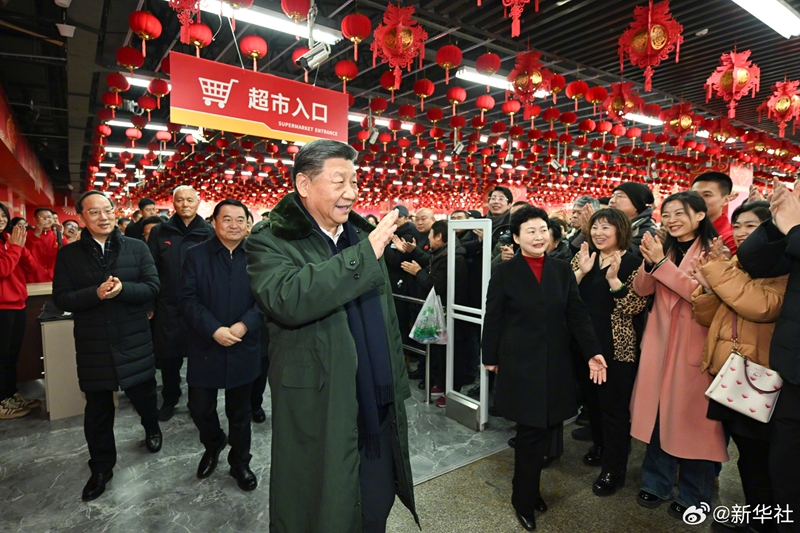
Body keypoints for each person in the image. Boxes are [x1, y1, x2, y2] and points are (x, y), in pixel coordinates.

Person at [245, 139, 417, 532]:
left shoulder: (359, 234)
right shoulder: (270, 239)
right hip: (321, 402)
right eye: (339, 181)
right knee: (325, 505)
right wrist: (362, 257)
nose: (351, 193)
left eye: (354, 182)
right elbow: (288, 297)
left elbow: (385, 317)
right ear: (304, 185)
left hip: (375, 396)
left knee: (376, 502)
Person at [482, 205, 607, 531]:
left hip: (554, 364)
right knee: (530, 433)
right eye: (530, 231)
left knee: (544, 429)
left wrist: (593, 350)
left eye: (542, 230)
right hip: (520, 364)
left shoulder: (561, 270)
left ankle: (527, 489)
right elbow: (493, 316)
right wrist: (489, 357)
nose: (538, 237)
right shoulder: (506, 272)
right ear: (517, 237)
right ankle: (522, 498)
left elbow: (577, 315)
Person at [52, 191, 162, 502]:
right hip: (94, 343)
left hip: (133, 338)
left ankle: (152, 427)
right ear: (82, 218)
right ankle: (101, 467)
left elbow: (153, 286)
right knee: (98, 410)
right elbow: (61, 298)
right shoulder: (69, 256)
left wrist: (124, 289)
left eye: (107, 210)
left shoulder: (137, 248)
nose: (103, 217)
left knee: (144, 395)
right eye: (94, 212)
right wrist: (95, 294)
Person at [690, 201, 786, 533]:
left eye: (752, 226)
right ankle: (758, 518)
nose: (743, 233)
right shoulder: (735, 264)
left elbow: (761, 306)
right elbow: (708, 316)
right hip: (730, 373)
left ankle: (765, 523)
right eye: (739, 225)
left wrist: (718, 273)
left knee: (760, 457)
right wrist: (706, 287)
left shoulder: (782, 265)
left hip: (757, 375)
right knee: (747, 454)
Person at [630, 191, 727, 519]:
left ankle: (695, 493)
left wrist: (661, 264)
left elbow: (703, 297)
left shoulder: (715, 250)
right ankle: (656, 482)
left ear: (700, 215)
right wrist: (649, 261)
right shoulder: (664, 246)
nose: (671, 219)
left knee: (694, 426)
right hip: (659, 345)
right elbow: (642, 290)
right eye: (667, 213)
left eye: (679, 213)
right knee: (658, 417)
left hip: (694, 347)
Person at [179, 199, 263, 492]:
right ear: (214, 222)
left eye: (240, 219)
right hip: (206, 344)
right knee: (199, 408)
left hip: (243, 344)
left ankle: (240, 462)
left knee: (240, 414)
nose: (234, 225)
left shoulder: (257, 256)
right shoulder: (195, 255)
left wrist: (244, 325)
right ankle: (213, 443)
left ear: (248, 224)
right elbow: (187, 299)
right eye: (226, 219)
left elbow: (265, 298)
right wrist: (214, 329)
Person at [736, 179, 800, 533]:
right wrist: (776, 222)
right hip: (790, 368)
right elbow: (755, 261)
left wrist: (794, 228)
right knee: (784, 468)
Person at [572, 209, 648, 496]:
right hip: (583, 344)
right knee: (592, 401)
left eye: (606, 227)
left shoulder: (632, 262)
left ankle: (613, 469)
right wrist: (581, 271)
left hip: (616, 347)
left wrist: (614, 280)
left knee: (613, 408)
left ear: (620, 231)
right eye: (595, 227)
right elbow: (565, 294)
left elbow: (635, 307)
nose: (598, 233)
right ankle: (600, 445)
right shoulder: (584, 256)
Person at [147, 187, 214, 421]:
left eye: (190, 200)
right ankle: (170, 398)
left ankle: (198, 402)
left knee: (200, 357)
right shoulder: (159, 231)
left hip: (199, 306)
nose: (185, 204)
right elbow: (151, 269)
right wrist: (151, 302)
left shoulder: (208, 232)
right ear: (173, 203)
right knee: (169, 358)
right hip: (168, 305)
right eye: (179, 200)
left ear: (198, 202)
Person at [401, 220, 469, 407]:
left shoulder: (455, 257)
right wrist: (413, 252)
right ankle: (441, 383)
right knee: (440, 351)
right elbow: (430, 262)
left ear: (439, 236)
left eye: (431, 235)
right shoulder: (444, 253)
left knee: (451, 354)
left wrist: (417, 273)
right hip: (442, 310)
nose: (429, 239)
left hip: (451, 311)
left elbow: (437, 285)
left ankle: (451, 390)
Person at [0, 203, 43, 419]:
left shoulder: (8, 240)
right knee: (1, 356)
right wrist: (16, 248)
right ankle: (1, 402)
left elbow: (31, 268)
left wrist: (20, 247)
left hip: (18, 305)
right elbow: (3, 270)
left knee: (11, 355)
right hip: (2, 307)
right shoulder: (10, 243)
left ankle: (11, 395)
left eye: (2, 215)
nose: (0, 218)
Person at [608, 182, 657, 256]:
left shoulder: (647, 232)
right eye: (612, 196)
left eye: (619, 196)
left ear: (636, 205)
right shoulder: (614, 225)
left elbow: (632, 257)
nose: (612, 200)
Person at [692, 172, 737, 254]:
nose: (698, 200)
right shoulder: (688, 230)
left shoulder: (731, 238)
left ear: (726, 200)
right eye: (694, 195)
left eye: (707, 195)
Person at [25, 207, 68, 282]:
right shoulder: (27, 234)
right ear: (35, 219)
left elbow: (67, 252)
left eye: (49, 217)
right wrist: (36, 234)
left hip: (54, 278)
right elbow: (25, 251)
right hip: (32, 278)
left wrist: (60, 236)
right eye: (42, 217)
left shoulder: (56, 235)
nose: (46, 219)